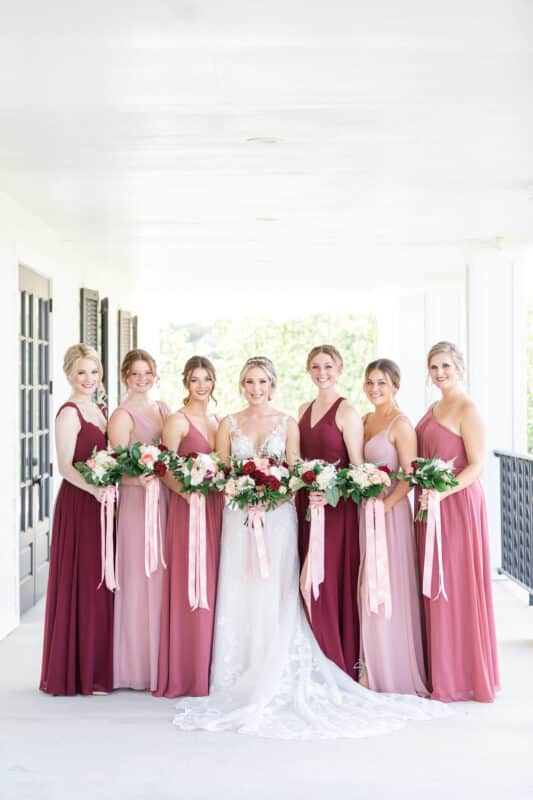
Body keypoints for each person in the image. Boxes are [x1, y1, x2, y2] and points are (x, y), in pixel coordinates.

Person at [172, 356, 448, 739]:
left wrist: (273, 493)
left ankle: (277, 665)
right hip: (240, 518)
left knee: (276, 591)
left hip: (278, 517)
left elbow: (296, 469)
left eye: (263, 382)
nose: (256, 389)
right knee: (240, 588)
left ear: (273, 384)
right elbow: (221, 471)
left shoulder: (288, 421)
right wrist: (240, 491)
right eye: (249, 382)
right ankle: (237, 671)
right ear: (240, 385)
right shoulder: (227, 424)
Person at [416, 341, 500, 702]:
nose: (440, 373)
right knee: (434, 581)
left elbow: (477, 465)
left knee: (456, 583)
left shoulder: (468, 408)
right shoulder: (434, 407)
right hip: (430, 505)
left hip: (456, 505)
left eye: (446, 366)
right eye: (434, 367)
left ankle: (462, 676)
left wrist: (442, 492)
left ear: (460, 369)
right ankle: (440, 670)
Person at [40, 344, 113, 695]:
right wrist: (94, 490)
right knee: (83, 580)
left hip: (103, 504)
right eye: (81, 372)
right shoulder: (69, 413)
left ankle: (98, 666)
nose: (88, 379)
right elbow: (65, 467)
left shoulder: (99, 410)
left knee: (101, 581)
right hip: (80, 503)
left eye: (94, 372)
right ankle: (76, 671)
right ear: (69, 374)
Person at [154, 356, 224, 698]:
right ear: (186, 382)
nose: (201, 385)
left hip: (216, 509)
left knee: (215, 581)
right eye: (195, 379)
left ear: (214, 382)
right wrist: (189, 495)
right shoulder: (177, 421)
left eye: (206, 379)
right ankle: (186, 671)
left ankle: (213, 666)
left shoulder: (217, 420)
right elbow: (164, 469)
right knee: (189, 582)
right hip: (188, 510)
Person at [358, 359, 427, 695]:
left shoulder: (401, 425)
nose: (375, 389)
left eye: (382, 383)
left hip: (390, 512)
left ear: (395, 386)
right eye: (370, 383)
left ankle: (393, 667)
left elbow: (409, 476)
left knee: (389, 584)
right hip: (365, 511)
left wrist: (383, 508)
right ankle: (369, 665)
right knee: (367, 585)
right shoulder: (365, 419)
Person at [297, 345, 363, 678]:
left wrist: (331, 488)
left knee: (330, 579)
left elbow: (358, 469)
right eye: (315, 367)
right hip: (307, 507)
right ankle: (311, 653)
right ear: (308, 371)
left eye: (328, 366)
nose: (322, 373)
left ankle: (338, 656)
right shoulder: (303, 408)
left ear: (339, 369)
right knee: (307, 579)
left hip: (337, 510)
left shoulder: (347, 411)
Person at [108, 349, 170, 691]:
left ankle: (161, 661)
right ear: (125, 377)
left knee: (161, 577)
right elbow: (115, 468)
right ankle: (134, 667)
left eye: (147, 373)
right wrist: (139, 480)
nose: (142, 379)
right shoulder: (121, 415)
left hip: (163, 500)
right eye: (135, 374)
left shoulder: (162, 410)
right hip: (136, 502)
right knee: (137, 576)